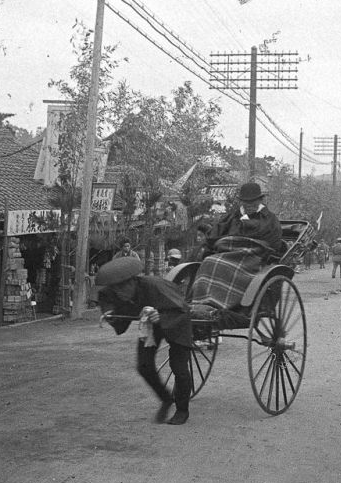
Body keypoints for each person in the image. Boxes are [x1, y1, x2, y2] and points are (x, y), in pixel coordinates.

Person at [95, 255, 195, 425]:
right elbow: (106, 300)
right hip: (149, 325)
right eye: (116, 289)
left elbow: (182, 309)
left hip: (176, 320)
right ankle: (166, 398)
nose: (120, 293)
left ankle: (182, 410)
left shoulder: (155, 286)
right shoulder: (113, 291)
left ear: (134, 281)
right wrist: (110, 313)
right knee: (144, 365)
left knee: (179, 367)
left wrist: (161, 316)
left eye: (123, 287)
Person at [213, 182, 283, 260]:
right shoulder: (233, 216)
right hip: (229, 255)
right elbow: (216, 234)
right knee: (220, 244)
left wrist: (246, 226)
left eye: (252, 202)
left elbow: (274, 244)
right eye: (246, 202)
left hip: (258, 257)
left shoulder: (270, 219)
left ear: (260, 200)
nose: (249, 205)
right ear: (241, 202)